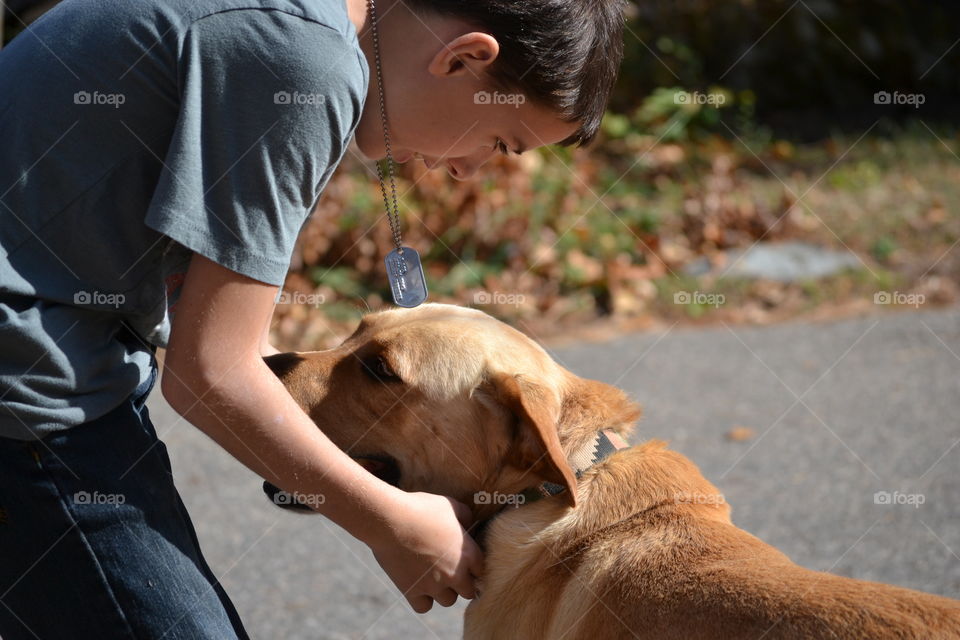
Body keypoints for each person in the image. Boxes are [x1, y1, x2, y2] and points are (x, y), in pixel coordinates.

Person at [0, 0, 625, 637]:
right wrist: (392, 524)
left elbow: (208, 318)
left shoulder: (301, 27)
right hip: (27, 377)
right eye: (500, 141)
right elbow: (208, 375)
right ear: (464, 58)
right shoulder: (306, 61)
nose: (470, 169)